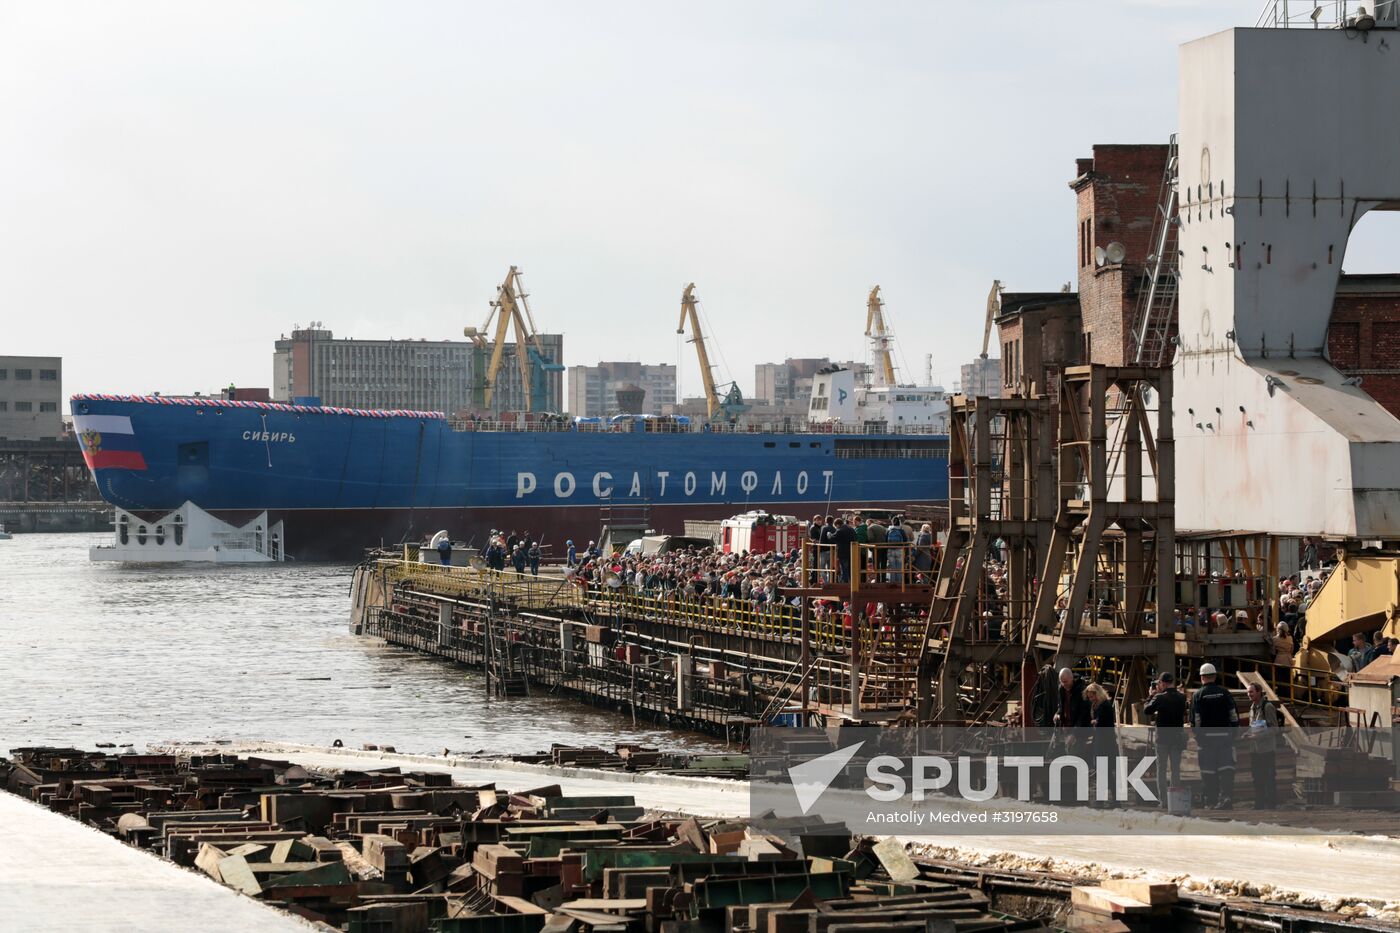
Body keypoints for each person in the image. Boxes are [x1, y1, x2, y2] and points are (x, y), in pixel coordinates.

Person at [1191, 662, 1240, 809]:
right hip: (1225, 738)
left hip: (1206, 741)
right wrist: (1233, 734)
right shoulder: (1225, 693)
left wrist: (1198, 736)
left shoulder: (1198, 695)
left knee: (1208, 772)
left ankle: (1211, 801)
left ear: (1202, 677)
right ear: (1214, 676)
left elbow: (1195, 719)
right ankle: (1226, 799)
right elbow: (1233, 716)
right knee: (1226, 770)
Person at [1144, 671, 1188, 807]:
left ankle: (1163, 801)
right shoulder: (1181, 697)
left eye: (1159, 683)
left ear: (1162, 683)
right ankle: (1175, 801)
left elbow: (1147, 710)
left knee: (1161, 770)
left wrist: (1151, 695)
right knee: (1175, 770)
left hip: (1162, 738)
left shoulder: (1160, 698)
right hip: (1177, 738)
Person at [1245, 682, 1280, 809]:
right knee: (1257, 778)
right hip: (1255, 750)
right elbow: (1253, 727)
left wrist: (1258, 736)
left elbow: (1274, 729)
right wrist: (1247, 734)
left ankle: (1271, 804)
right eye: (1248, 692)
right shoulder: (1252, 708)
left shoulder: (1267, 707)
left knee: (1269, 777)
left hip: (1266, 750)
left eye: (1251, 692)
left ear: (1259, 692)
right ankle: (1259, 804)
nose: (1249, 695)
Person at [1084, 682, 1118, 807]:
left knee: (1104, 771)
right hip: (1101, 741)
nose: (1091, 699)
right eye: (1089, 697)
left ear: (1097, 694)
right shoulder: (1097, 705)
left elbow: (1103, 723)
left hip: (1105, 742)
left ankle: (1102, 800)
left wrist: (1094, 721)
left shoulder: (1104, 705)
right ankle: (1114, 800)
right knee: (1106, 772)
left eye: (1092, 696)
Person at [832, 517, 856, 583]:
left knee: (844, 568)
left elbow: (834, 538)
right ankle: (852, 582)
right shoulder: (851, 529)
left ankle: (844, 583)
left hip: (843, 552)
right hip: (852, 551)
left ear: (837, 525)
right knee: (850, 569)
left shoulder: (840, 530)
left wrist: (830, 535)